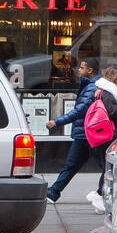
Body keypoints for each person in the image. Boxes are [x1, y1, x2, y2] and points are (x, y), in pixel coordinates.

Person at [45, 58, 100, 203]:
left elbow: (80, 111)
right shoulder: (89, 85)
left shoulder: (92, 87)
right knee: (71, 164)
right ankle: (54, 192)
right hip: (85, 135)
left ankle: (103, 194)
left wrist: (57, 121)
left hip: (90, 135)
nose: (78, 70)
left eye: (82, 67)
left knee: (107, 168)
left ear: (90, 70)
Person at [87, 65, 117, 212]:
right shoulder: (106, 93)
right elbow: (114, 111)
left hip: (107, 134)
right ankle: (98, 194)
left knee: (110, 167)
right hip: (107, 135)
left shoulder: (109, 92)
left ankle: (102, 200)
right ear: (113, 79)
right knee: (110, 167)